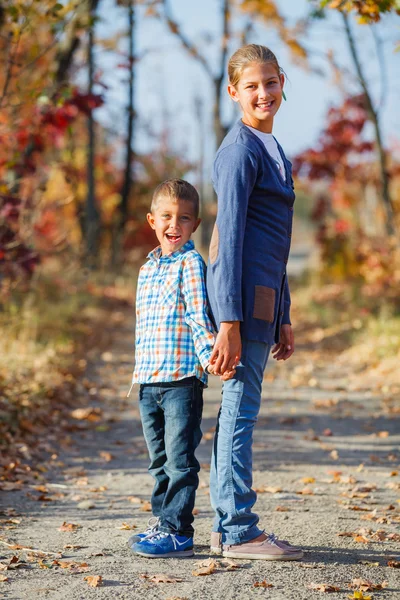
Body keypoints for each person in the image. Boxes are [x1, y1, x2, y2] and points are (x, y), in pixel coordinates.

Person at [206, 44, 303, 561]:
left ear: (282, 81)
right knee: (239, 413)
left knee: (238, 412)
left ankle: (232, 526)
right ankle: (239, 529)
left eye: (270, 82)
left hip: (263, 301)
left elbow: (274, 242)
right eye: (251, 86)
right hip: (239, 303)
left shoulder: (274, 150)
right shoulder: (239, 150)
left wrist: (283, 311)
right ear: (233, 93)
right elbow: (229, 240)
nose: (263, 93)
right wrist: (228, 321)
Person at [128, 179, 234, 559]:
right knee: (158, 461)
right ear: (152, 220)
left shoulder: (191, 263)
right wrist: (138, 373)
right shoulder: (147, 269)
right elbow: (144, 325)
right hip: (148, 381)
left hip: (181, 382)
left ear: (196, 224)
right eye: (168, 217)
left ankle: (178, 531)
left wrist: (212, 359)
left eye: (184, 218)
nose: (175, 225)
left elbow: (196, 317)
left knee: (179, 461)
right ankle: (163, 523)